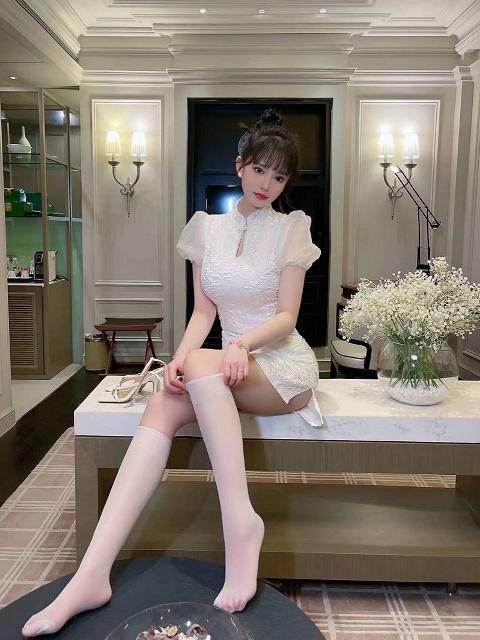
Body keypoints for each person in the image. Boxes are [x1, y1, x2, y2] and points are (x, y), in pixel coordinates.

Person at [21, 109, 322, 637]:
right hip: (226, 365)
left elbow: (287, 318)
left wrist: (240, 345)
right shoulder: (207, 229)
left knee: (203, 364)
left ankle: (240, 523)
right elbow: (204, 313)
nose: (267, 184)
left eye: (279, 177)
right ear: (240, 165)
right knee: (164, 397)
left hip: (279, 365)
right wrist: (179, 361)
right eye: (259, 170)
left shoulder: (291, 229)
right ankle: (91, 576)